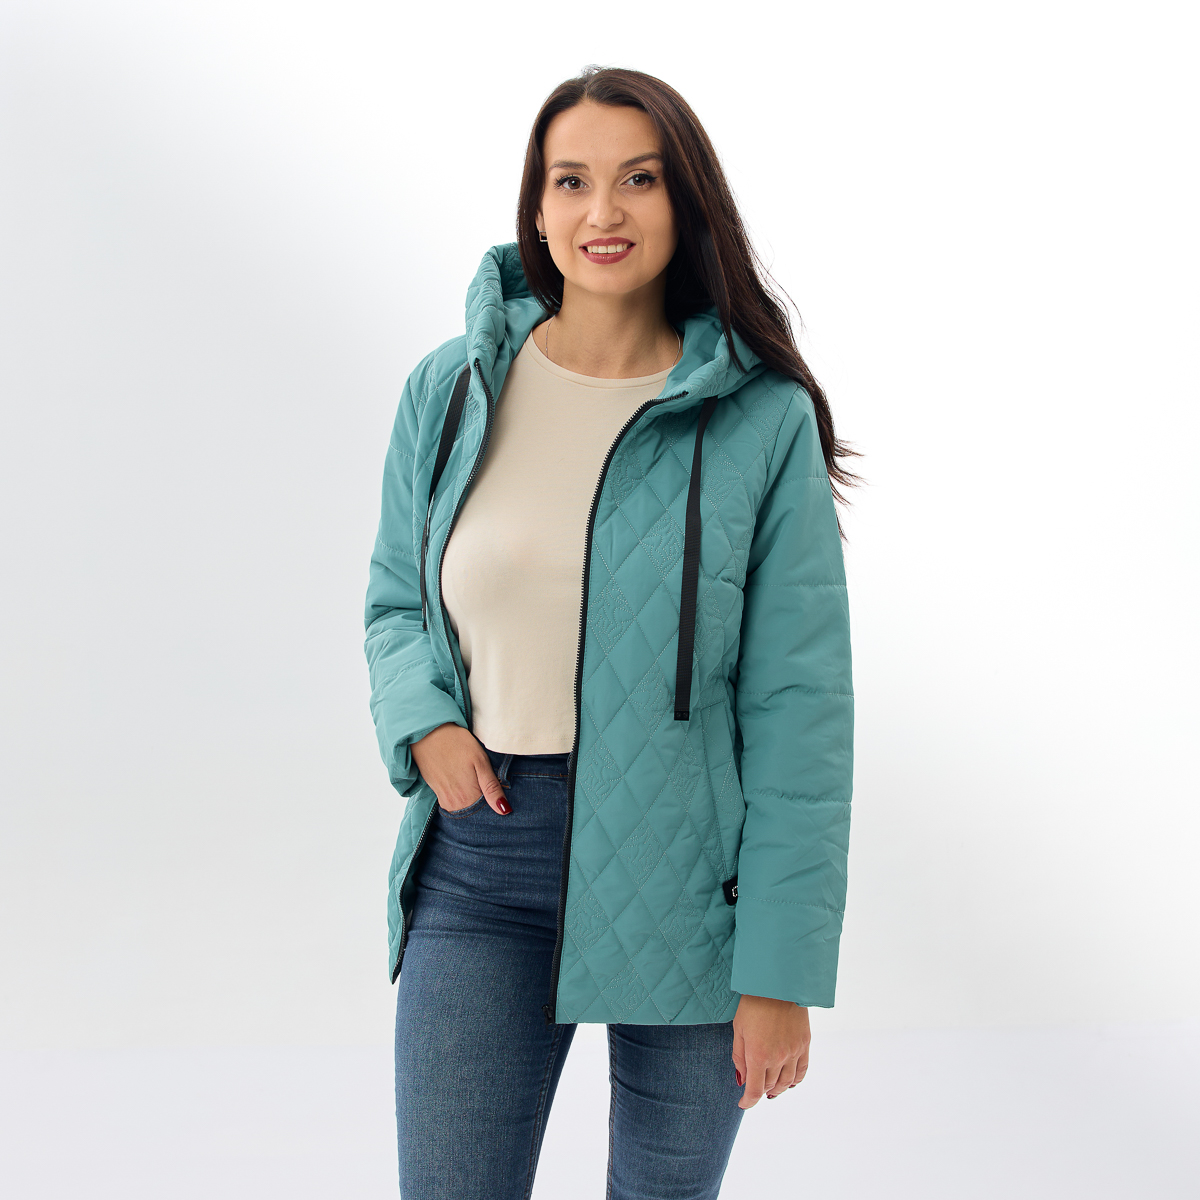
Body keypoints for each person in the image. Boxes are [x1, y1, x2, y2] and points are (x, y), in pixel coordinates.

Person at [364, 65, 856, 1200]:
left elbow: (801, 713)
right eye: (571, 181)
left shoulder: (759, 418)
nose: (604, 211)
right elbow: (395, 600)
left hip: (689, 878)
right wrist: (424, 720)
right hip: (481, 864)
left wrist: (782, 969)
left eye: (639, 179)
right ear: (536, 209)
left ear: (685, 202)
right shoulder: (452, 389)